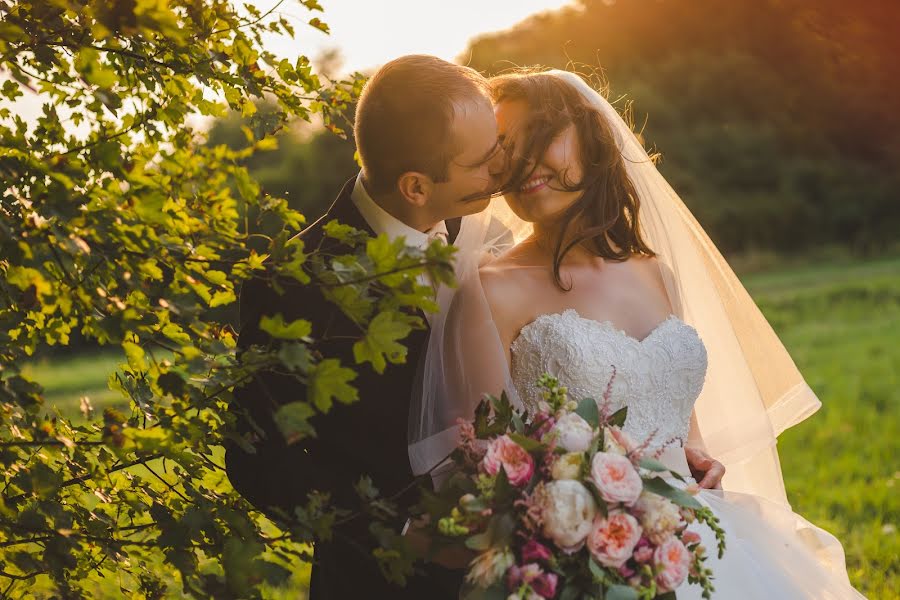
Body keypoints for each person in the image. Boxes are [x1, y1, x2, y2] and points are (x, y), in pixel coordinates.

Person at [415, 69, 865, 598]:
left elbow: (680, 427)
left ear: (590, 135)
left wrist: (699, 458)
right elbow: (484, 471)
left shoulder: (655, 272)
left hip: (697, 542)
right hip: (582, 568)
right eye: (506, 149)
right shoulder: (490, 291)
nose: (524, 163)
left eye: (542, 136)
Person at [224, 55, 506, 599]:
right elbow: (256, 459)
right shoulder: (292, 282)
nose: (500, 170)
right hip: (377, 582)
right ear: (416, 187)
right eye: (483, 162)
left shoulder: (496, 237)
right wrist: (401, 535)